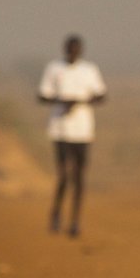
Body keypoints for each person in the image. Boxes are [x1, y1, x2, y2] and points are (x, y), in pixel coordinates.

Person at [38, 34, 107, 239]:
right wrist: (62, 101)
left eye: (76, 49)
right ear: (65, 49)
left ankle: (75, 220)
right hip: (60, 129)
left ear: (81, 50)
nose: (73, 52)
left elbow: (101, 95)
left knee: (79, 176)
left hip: (83, 130)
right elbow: (42, 95)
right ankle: (56, 214)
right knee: (63, 174)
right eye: (70, 49)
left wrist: (81, 102)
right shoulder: (54, 68)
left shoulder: (89, 70)